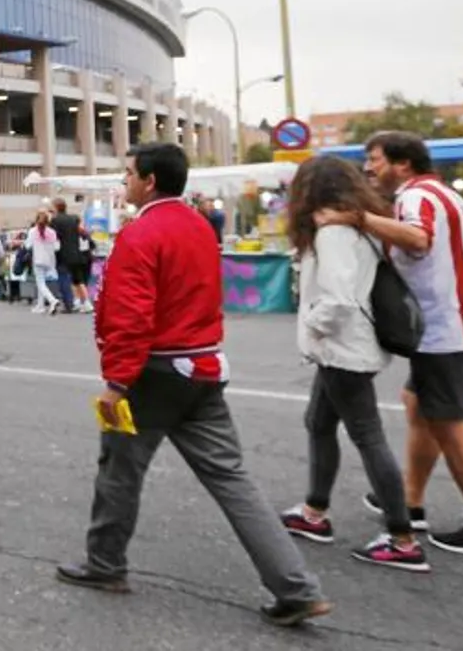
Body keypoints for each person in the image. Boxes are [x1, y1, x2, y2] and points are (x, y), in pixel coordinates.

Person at [57, 143, 329, 628]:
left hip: (154, 374)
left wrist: (117, 382)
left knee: (120, 470)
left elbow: (131, 315)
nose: (125, 184)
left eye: (128, 175)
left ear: (150, 181)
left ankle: (105, 564)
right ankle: (294, 585)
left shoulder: (141, 234)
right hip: (203, 366)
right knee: (232, 478)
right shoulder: (200, 227)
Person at [324, 131, 463, 559]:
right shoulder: (441, 194)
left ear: (403, 164)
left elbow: (418, 239)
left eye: (374, 159)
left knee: (449, 425)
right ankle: (410, 501)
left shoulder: (416, 198)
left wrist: (356, 218)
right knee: (418, 406)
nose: (369, 168)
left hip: (449, 334)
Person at [278, 157, 426, 571]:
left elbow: (338, 299)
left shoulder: (333, 232)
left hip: (342, 348)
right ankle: (314, 511)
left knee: (366, 434)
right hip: (348, 346)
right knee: (319, 422)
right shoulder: (361, 226)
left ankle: (402, 537)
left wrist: (313, 325)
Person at [49, 197, 82, 313]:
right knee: (74, 279)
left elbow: (53, 238)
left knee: (63, 279)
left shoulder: (55, 221)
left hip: (62, 254)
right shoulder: (73, 219)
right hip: (75, 252)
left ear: (56, 207)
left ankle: (69, 303)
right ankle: (76, 301)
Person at [28, 211, 62, 315]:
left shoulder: (33, 231)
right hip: (49, 260)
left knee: (40, 283)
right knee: (42, 282)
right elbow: (57, 247)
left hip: (38, 259)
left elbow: (28, 246)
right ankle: (40, 305)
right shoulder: (52, 232)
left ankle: (52, 300)